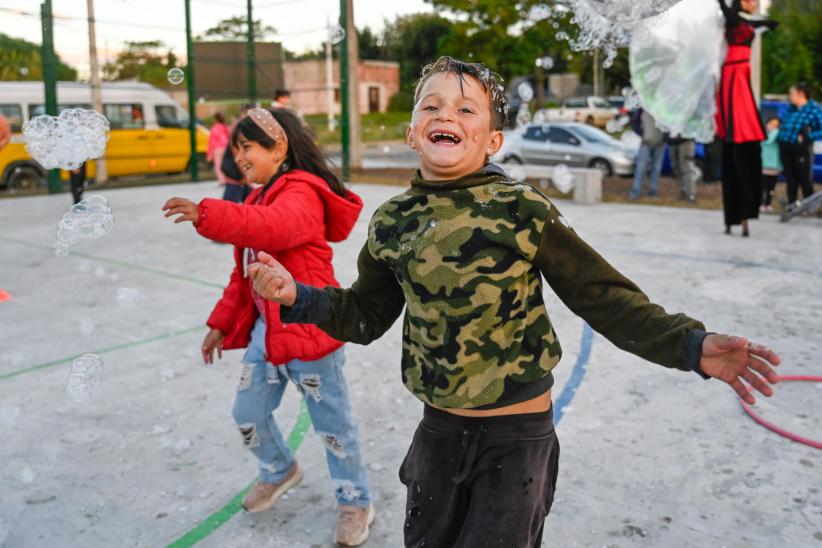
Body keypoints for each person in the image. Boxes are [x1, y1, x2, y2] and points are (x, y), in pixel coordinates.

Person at [246, 56, 781, 548]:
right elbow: (365, 316)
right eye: (430, 105)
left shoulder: (521, 208)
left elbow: (603, 297)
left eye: (465, 107)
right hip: (438, 432)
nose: (445, 113)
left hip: (516, 437)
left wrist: (690, 345)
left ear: (493, 140)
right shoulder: (392, 222)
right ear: (413, 132)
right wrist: (298, 296)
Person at [161, 108, 376, 546]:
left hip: (313, 335)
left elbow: (274, 229)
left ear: (279, 148)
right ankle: (280, 469)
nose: (238, 156)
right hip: (267, 335)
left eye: (248, 147)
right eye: (235, 148)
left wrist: (209, 214)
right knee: (247, 413)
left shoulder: (302, 192)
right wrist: (221, 323)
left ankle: (355, 500)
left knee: (334, 429)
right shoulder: (256, 198)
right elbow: (243, 276)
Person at [716, 0, 777, 236]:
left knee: (746, 144)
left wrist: (768, 23)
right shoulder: (732, 19)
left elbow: (754, 22)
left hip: (741, 76)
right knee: (737, 137)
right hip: (734, 77)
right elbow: (729, 13)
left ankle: (741, 215)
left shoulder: (744, 21)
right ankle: (735, 217)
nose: (755, 3)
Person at [777, 83, 822, 206]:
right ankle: (792, 204)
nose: (790, 96)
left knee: (804, 178)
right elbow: (782, 122)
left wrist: (808, 137)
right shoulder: (791, 108)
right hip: (785, 147)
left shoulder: (814, 109)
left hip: (801, 149)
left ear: (801, 94)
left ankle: (811, 205)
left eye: (792, 93)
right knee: (790, 179)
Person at [628, 108, 666, 199]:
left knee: (656, 169)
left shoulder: (664, 108)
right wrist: (643, 133)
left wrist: (665, 137)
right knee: (641, 168)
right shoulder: (644, 107)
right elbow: (634, 121)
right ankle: (635, 191)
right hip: (646, 142)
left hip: (659, 142)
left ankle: (653, 192)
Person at [220, 104, 253, 203]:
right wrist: (246, 176)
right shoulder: (238, 128)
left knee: (250, 204)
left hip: (243, 173)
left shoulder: (249, 128)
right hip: (235, 173)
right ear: (242, 114)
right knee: (229, 207)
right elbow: (237, 154)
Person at [667, 135, 699, 202]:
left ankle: (691, 194)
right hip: (673, 140)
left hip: (686, 140)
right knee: (676, 167)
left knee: (687, 167)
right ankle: (683, 192)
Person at [760, 117, 782, 211]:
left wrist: (775, 130)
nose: (772, 126)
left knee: (770, 187)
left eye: (775, 125)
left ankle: (767, 203)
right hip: (763, 164)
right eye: (771, 123)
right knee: (761, 186)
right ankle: (760, 203)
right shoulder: (763, 134)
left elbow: (769, 141)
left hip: (774, 165)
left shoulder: (776, 134)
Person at [206, 112, 230, 185]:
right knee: (225, 164)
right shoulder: (225, 127)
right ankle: (227, 179)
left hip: (218, 149)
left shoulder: (214, 128)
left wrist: (209, 154)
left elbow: (212, 141)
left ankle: (222, 180)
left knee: (218, 166)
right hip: (226, 147)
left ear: (215, 119)